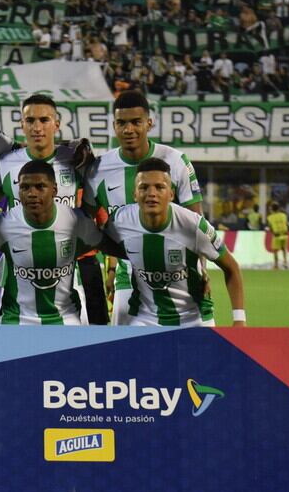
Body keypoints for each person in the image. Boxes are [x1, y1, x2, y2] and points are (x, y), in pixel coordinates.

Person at [84, 89, 209, 324]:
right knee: (127, 354)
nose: (129, 129)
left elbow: (196, 221)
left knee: (187, 353)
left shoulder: (176, 161)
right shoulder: (98, 169)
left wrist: (201, 267)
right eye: (122, 123)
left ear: (149, 123)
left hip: (179, 274)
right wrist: (111, 267)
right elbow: (88, 225)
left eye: (136, 122)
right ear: (114, 125)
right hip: (127, 275)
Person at [0, 160, 125, 325]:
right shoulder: (4, 225)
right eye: (25, 187)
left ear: (54, 190)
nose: (32, 193)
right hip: (17, 321)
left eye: (40, 187)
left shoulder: (77, 223)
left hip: (65, 320)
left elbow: (112, 246)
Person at [0, 94, 107, 324]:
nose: (37, 127)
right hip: (20, 275)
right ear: (21, 124)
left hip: (67, 272)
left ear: (57, 124)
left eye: (44, 120)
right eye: (30, 120)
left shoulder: (76, 161)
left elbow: (93, 208)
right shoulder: (5, 164)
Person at [104, 158, 246, 327]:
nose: (152, 193)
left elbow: (231, 267)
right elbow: (101, 243)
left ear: (171, 194)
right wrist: (112, 271)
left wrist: (239, 320)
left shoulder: (193, 226)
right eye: (144, 187)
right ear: (135, 194)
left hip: (193, 317)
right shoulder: (120, 220)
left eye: (159, 187)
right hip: (144, 317)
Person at [267, 202, 289, 269]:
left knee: (275, 250)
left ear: (272, 209)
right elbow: (286, 224)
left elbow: (270, 227)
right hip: (285, 234)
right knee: (284, 249)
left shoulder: (270, 217)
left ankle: (276, 265)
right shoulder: (284, 215)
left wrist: (272, 231)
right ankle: (285, 263)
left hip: (277, 235)